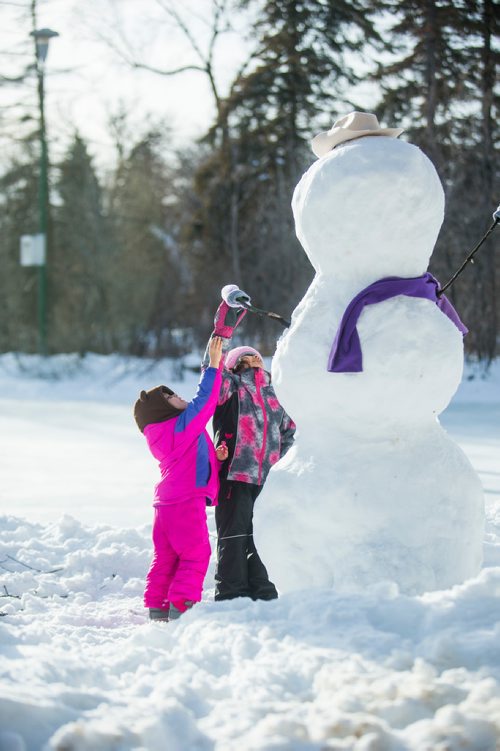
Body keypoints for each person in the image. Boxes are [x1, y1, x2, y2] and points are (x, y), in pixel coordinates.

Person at [203, 285, 296, 602]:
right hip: (236, 475)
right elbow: (211, 371)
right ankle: (231, 592)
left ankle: (264, 589)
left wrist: (282, 462)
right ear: (232, 366)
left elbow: (289, 433)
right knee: (235, 534)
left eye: (255, 358)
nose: (251, 361)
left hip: (270, 479)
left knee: (266, 536)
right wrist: (224, 326)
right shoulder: (230, 388)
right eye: (243, 359)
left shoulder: (277, 394)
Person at [133, 336, 229, 622]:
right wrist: (213, 367)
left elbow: (191, 459)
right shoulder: (180, 426)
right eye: (171, 396)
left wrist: (216, 459)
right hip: (185, 501)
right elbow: (206, 401)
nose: (178, 396)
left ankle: (158, 606)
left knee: (167, 556)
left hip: (165, 505)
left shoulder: (164, 436)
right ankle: (183, 605)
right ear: (164, 411)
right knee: (196, 552)